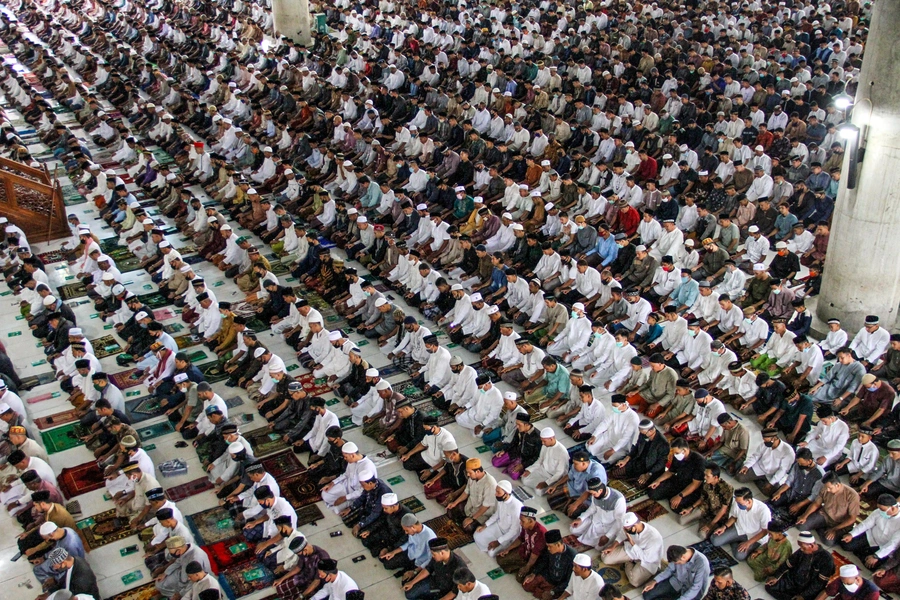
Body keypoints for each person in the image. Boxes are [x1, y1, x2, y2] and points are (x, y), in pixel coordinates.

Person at [765, 531, 835, 600]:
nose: (801, 549)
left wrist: (803, 596)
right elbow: (788, 563)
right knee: (769, 586)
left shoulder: (827, 559)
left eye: (803, 547)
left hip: (808, 588)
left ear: (811, 545)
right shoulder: (802, 551)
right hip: (793, 580)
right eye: (800, 547)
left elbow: (819, 584)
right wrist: (776, 576)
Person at [601, 511, 664, 587]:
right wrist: (613, 546)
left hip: (647, 561)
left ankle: (628, 563)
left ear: (635, 526)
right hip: (631, 551)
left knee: (634, 582)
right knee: (605, 557)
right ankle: (630, 562)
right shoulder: (630, 528)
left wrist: (632, 542)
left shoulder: (653, 537)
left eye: (627, 529)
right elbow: (622, 533)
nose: (626, 531)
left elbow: (646, 557)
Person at [709, 487, 772, 560]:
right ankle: (735, 542)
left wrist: (748, 543)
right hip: (739, 529)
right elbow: (734, 517)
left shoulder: (763, 510)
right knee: (715, 540)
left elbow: (765, 531)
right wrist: (724, 527)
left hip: (754, 536)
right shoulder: (737, 502)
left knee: (740, 556)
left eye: (740, 503)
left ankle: (734, 542)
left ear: (748, 501)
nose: (737, 504)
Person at [840, 493, 900, 569]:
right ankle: (863, 552)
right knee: (845, 544)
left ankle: (862, 551)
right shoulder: (879, 511)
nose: (880, 511)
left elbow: (893, 544)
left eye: (882, 510)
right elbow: (866, 524)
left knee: (873, 566)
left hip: (882, 546)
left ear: (893, 508)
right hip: (870, 536)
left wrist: (876, 556)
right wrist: (852, 534)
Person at [569, 478, 627, 549]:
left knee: (598, 547)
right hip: (595, 521)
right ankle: (590, 534)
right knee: (573, 529)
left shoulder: (618, 499)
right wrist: (581, 518)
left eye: (594, 494)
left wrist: (607, 536)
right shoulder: (596, 495)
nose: (592, 496)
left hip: (609, 527)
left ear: (600, 490)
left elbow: (619, 521)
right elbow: (592, 508)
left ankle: (603, 538)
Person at [473, 480, 523, 557]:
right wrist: (485, 525)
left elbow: (514, 531)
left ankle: (505, 546)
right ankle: (491, 543)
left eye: (498, 492)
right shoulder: (501, 500)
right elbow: (497, 515)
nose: (496, 494)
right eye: (496, 491)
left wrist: (498, 542)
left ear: (506, 493)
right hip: (499, 527)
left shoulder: (516, 506)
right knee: (477, 535)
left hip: (509, 535)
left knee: (491, 553)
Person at [522, 529, 576, 600]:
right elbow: (544, 561)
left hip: (558, 583)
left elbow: (569, 580)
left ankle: (542, 589)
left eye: (550, 546)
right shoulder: (550, 549)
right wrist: (534, 573)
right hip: (548, 575)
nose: (548, 548)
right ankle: (542, 589)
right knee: (526, 585)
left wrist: (553, 591)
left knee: (546, 596)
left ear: (558, 544)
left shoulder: (572, 556)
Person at [642, 545, 710, 600]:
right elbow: (669, 569)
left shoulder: (702, 563)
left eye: (678, 563)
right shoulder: (678, 553)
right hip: (676, 583)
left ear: (683, 557)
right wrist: (655, 581)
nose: (677, 564)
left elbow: (695, 588)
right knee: (647, 594)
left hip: (690, 592)